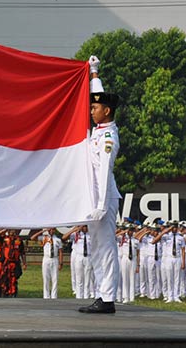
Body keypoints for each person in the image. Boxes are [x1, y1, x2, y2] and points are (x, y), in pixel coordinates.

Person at [79, 55, 121, 314]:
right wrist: (94, 74)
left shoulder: (107, 136)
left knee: (105, 248)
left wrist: (101, 205)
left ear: (107, 111)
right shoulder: (98, 129)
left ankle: (107, 299)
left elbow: (104, 171)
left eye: (96, 108)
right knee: (96, 247)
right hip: (95, 198)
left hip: (103, 199)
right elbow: (99, 96)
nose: (92, 109)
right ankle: (101, 294)